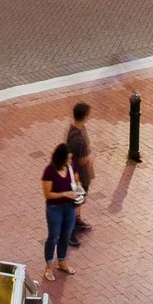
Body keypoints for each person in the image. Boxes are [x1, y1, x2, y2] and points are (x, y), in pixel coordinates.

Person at [40, 143, 80, 280]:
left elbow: (76, 180)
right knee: (53, 236)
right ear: (60, 158)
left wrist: (78, 189)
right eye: (67, 159)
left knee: (66, 235)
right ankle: (49, 266)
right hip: (54, 209)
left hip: (69, 207)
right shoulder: (49, 171)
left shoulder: (71, 166)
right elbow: (48, 194)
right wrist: (65, 194)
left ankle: (62, 262)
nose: (70, 161)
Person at [65, 102, 95, 244]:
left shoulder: (76, 128)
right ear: (84, 116)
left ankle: (76, 221)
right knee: (75, 200)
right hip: (79, 174)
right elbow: (82, 160)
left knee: (78, 200)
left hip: (79, 173)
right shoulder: (78, 139)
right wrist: (90, 157)